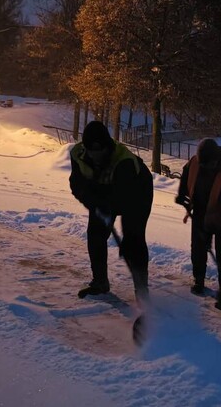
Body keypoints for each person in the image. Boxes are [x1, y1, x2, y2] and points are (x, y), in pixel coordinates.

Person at [69, 121, 153, 303]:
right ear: (86, 148)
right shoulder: (77, 154)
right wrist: (92, 203)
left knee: (134, 239)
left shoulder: (125, 163)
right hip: (102, 190)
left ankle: (141, 290)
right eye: (92, 151)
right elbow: (77, 185)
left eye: (101, 151)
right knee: (95, 234)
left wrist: (126, 241)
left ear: (108, 147)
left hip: (137, 192)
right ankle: (100, 282)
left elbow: (122, 198)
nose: (96, 156)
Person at [175, 138, 221, 308]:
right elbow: (186, 176)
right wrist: (182, 194)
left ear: (216, 159)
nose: (206, 168)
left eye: (209, 164)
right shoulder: (196, 162)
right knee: (198, 245)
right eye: (203, 164)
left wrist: (211, 225)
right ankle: (199, 279)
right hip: (201, 209)